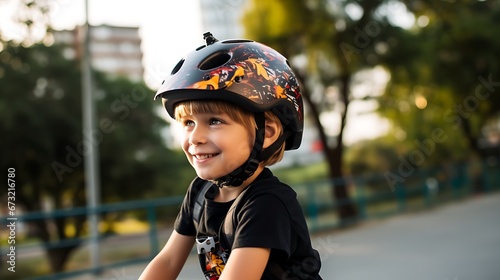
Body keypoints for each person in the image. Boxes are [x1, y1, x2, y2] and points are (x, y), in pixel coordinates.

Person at [139, 32, 322, 280]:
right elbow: (169, 260)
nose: (195, 138)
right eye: (189, 123)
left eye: (214, 121)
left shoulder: (266, 203)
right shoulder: (200, 193)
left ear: (267, 133)